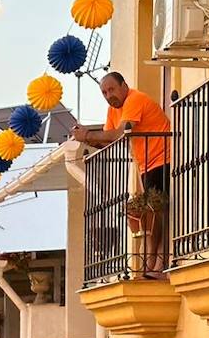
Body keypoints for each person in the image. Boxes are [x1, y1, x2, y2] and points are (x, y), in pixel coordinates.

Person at [72, 72, 173, 274]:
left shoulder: (135, 99)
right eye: (104, 92)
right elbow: (109, 141)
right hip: (146, 164)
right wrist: (86, 138)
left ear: (124, 86)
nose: (109, 95)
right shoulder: (113, 110)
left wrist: (89, 134)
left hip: (163, 158)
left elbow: (120, 133)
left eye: (112, 89)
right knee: (154, 212)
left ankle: (157, 262)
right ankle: (154, 261)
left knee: (157, 212)